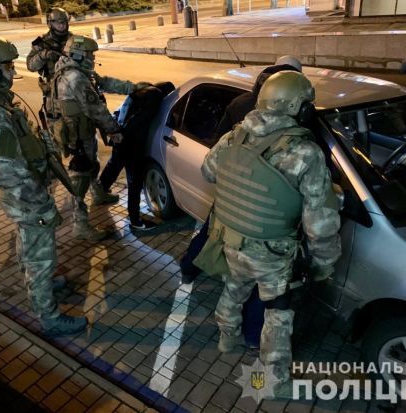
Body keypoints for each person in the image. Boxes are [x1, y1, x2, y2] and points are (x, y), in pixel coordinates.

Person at [200, 71, 341, 394]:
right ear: (296, 107)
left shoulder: (235, 136)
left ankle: (226, 338)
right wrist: (324, 263)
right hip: (272, 252)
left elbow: (208, 172)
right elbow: (320, 223)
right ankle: (274, 380)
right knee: (279, 312)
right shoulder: (305, 153)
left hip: (230, 239)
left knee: (234, 286)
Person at [0, 34, 87, 337]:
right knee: (41, 255)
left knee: (29, 244)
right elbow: (9, 171)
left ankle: (42, 286)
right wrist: (42, 205)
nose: (11, 72)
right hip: (24, 196)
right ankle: (49, 316)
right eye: (6, 66)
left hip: (23, 192)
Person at [180, 56, 304, 349]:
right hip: (265, 216)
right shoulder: (296, 126)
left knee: (211, 237)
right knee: (268, 283)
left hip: (230, 201)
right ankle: (252, 336)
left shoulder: (239, 107)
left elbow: (211, 162)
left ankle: (188, 269)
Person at [51, 35, 150, 239]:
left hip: (83, 131)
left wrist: (132, 87)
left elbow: (103, 82)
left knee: (92, 163)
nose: (93, 58)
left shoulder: (75, 70)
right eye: (89, 54)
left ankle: (98, 194)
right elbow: (96, 109)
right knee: (79, 177)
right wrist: (114, 130)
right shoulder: (75, 78)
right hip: (77, 136)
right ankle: (80, 224)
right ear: (78, 55)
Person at [98, 81, 175, 231]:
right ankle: (135, 221)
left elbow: (122, 110)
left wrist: (118, 133)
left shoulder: (142, 89)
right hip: (131, 143)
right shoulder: (155, 96)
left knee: (114, 165)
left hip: (119, 136)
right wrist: (128, 138)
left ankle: (100, 192)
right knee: (135, 182)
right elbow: (138, 120)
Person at [26, 7, 72, 120]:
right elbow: (31, 66)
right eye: (58, 23)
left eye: (64, 22)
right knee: (57, 126)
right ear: (50, 24)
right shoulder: (41, 43)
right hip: (54, 94)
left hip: (75, 88)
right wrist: (43, 55)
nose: (62, 25)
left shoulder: (75, 40)